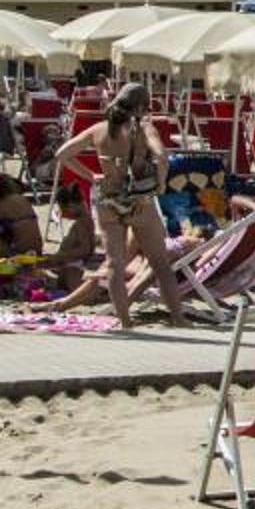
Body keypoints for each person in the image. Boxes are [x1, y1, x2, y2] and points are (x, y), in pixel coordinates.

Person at [51, 84, 195, 328]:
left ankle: (125, 322)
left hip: (108, 201)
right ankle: (178, 318)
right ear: (141, 107)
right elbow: (162, 157)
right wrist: (160, 183)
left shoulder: (99, 130)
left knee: (114, 265)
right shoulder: (145, 128)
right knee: (160, 264)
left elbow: (61, 155)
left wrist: (90, 176)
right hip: (140, 201)